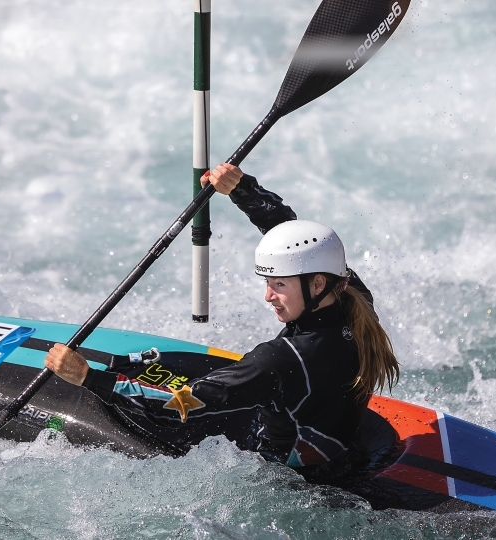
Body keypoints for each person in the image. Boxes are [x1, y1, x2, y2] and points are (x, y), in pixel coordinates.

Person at [46, 163, 398, 476]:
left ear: (317, 283)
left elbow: (178, 407)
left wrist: (88, 378)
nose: (268, 296)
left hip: (285, 479)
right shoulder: (353, 299)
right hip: (337, 448)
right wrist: (243, 190)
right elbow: (292, 233)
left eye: (279, 285)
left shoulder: (277, 360)